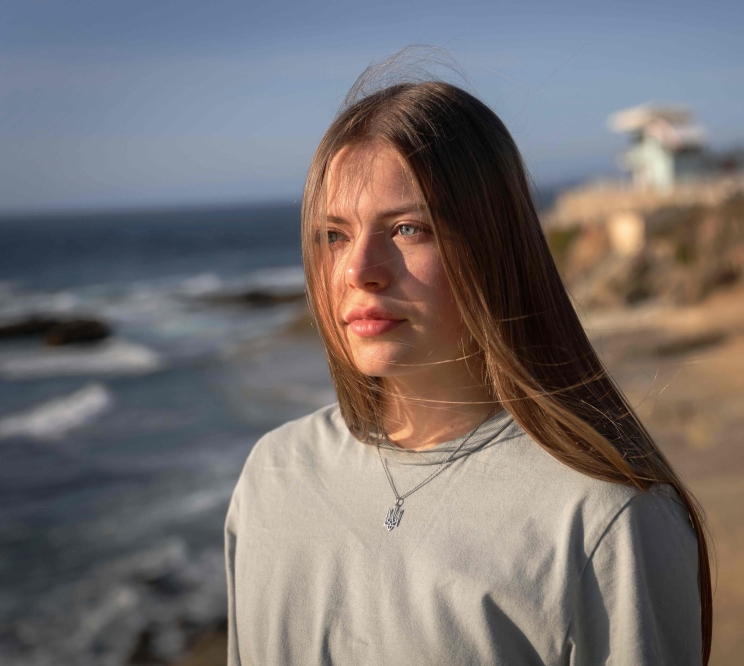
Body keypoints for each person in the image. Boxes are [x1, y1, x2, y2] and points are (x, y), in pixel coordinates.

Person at [224, 64, 713, 665]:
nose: (359, 270)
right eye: (334, 235)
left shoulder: (603, 517)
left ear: (493, 244)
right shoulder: (272, 476)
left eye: (407, 228)